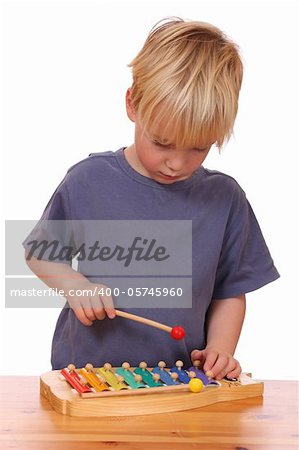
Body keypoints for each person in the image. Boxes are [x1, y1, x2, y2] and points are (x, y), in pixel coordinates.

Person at [24, 18, 279, 380]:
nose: (177, 163)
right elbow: (39, 253)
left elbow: (230, 292)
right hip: (87, 378)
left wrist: (220, 350)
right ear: (132, 104)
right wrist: (74, 285)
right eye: (161, 142)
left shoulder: (226, 199)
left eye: (198, 148)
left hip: (179, 382)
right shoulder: (88, 180)